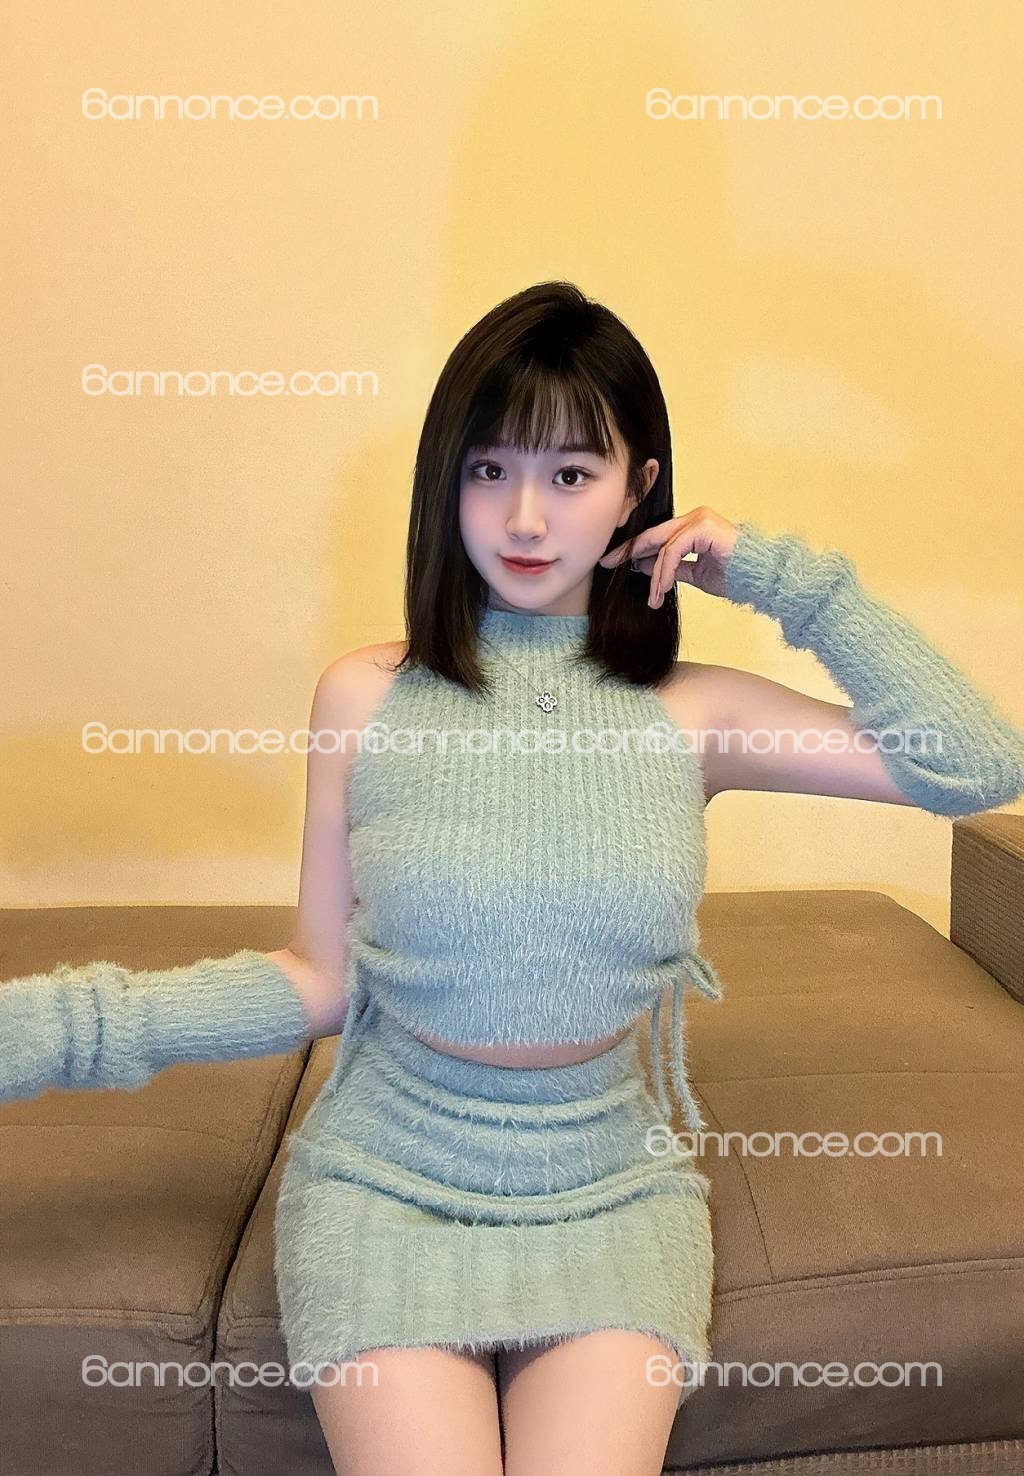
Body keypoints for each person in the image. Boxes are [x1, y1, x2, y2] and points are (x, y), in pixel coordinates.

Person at [3, 281, 1024, 1476]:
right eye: (488, 470)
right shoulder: (365, 696)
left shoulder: (691, 713)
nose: (525, 517)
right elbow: (318, 976)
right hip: (387, 1181)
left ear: (640, 489)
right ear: (446, 481)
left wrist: (777, 575)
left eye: (572, 474)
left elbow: (974, 764)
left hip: (610, 1193)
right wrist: (43, 1029)